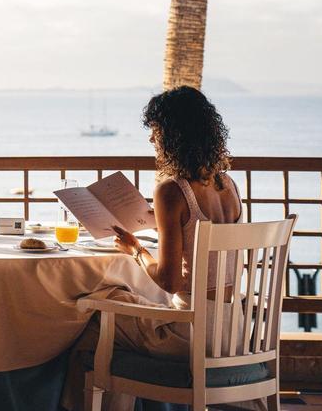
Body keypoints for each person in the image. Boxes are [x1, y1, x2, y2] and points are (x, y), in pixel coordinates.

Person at [62, 86, 244, 411]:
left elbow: (170, 281)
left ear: (173, 135)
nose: (151, 140)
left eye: (156, 131)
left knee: (90, 319)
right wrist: (163, 223)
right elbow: (204, 234)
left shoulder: (171, 191)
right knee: (121, 312)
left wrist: (135, 249)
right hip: (234, 331)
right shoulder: (228, 185)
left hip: (188, 335)